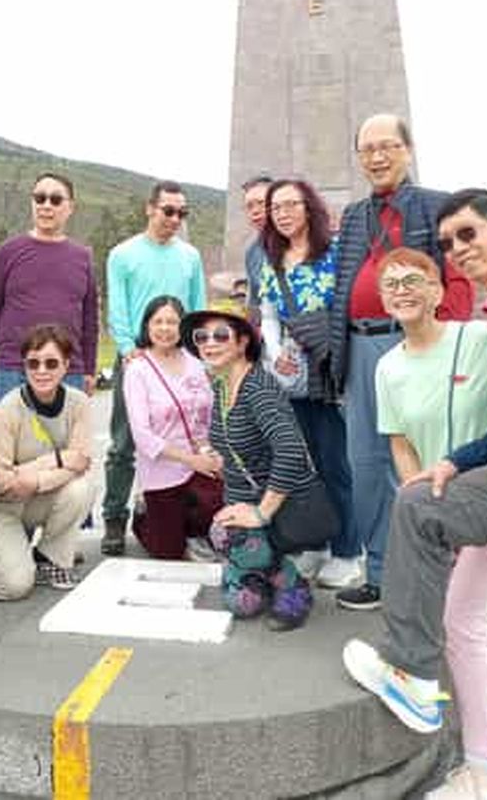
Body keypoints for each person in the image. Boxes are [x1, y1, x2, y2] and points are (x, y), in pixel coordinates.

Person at [343, 190, 487, 800]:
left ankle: (484, 762)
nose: (461, 248)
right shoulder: (396, 362)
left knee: (461, 615)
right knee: (454, 592)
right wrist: (451, 467)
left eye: (468, 235)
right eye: (451, 240)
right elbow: (410, 441)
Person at [329, 114, 474, 610]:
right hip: (359, 349)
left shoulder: (437, 206)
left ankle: (434, 571)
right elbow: (341, 286)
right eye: (366, 149)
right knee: (365, 464)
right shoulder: (352, 216)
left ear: (408, 150)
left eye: (387, 145)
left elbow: (457, 278)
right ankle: (379, 571)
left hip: (415, 347)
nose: (376, 157)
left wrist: (443, 341)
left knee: (421, 462)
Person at [181, 308, 315, 630]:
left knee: (223, 533)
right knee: (243, 605)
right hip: (242, 499)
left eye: (221, 335)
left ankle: (291, 581)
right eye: (202, 337)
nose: (209, 343)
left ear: (242, 342)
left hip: (278, 505)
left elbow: (291, 449)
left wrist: (261, 513)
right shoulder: (223, 385)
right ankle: (257, 568)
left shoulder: (259, 388)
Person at [257, 178, 362, 589]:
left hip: (330, 371)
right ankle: (315, 543)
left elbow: (346, 309)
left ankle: (348, 551)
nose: (282, 214)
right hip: (290, 374)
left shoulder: (334, 253)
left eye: (290, 205)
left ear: (309, 207)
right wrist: (272, 351)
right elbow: (267, 314)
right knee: (303, 463)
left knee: (337, 463)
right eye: (275, 208)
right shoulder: (272, 258)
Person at [101, 181, 207, 556]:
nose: (174, 219)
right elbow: (118, 308)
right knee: (125, 442)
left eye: (182, 213)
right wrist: (130, 351)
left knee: (188, 435)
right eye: (168, 211)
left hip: (180, 359)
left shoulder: (190, 256)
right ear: (150, 209)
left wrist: (199, 355)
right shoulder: (123, 255)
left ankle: (181, 505)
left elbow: (196, 309)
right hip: (137, 358)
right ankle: (114, 516)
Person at [0, 324, 94, 597]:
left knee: (82, 488)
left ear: (66, 365)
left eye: (51, 363)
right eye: (33, 363)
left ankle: (49, 557)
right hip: (4, 506)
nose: (42, 371)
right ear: (24, 366)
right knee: (12, 587)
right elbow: (2, 481)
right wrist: (58, 459)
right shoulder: (7, 408)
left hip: (38, 498)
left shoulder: (79, 403)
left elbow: (81, 462)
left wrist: (32, 478)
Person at [0, 172, 99, 403]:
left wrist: (89, 369)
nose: (46, 205)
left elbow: (89, 319)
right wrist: (7, 342)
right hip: (15, 367)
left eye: (55, 199)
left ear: (70, 207)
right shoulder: (9, 251)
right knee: (11, 438)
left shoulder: (82, 257)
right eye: (39, 198)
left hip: (68, 369)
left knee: (65, 440)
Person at [123, 296, 222, 560]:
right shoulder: (137, 369)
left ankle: (196, 530)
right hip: (163, 468)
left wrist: (209, 454)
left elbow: (208, 416)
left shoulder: (196, 362)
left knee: (219, 510)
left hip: (200, 458)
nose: (165, 328)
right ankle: (145, 515)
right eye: (158, 322)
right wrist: (192, 460)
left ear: (183, 327)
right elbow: (142, 436)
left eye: (172, 322)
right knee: (168, 550)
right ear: (147, 326)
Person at [241, 174, 273, 322]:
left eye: (261, 203)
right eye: (249, 206)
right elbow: (254, 303)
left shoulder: (300, 243)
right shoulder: (252, 253)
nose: (255, 211)